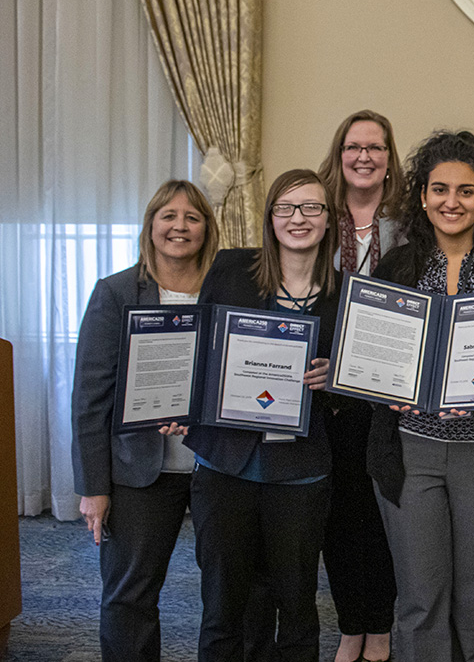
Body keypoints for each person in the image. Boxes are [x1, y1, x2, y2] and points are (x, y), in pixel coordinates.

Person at [366, 130, 474, 662]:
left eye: (465, 191)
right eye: (439, 189)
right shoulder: (396, 268)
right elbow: (373, 355)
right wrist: (384, 389)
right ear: (422, 197)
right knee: (421, 600)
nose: (451, 201)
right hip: (409, 451)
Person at [181, 169, 339, 662]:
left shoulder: (348, 296)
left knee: (296, 607)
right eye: (287, 207)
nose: (299, 218)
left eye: (312, 207)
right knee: (223, 606)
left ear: (329, 220)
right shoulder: (230, 271)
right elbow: (197, 351)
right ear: (270, 218)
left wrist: (337, 379)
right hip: (225, 467)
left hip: (300, 472)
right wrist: (175, 404)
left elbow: (364, 388)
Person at [71, 180, 219, 662]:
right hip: (139, 472)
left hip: (217, 468)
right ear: (151, 225)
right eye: (168, 216)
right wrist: (94, 487)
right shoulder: (115, 292)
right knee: (130, 596)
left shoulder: (227, 290)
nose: (180, 227)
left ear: (206, 227)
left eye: (192, 218)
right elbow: (91, 398)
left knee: (229, 597)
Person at [316, 109, 404, 662]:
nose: (364, 156)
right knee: (339, 516)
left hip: (390, 392)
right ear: (339, 153)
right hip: (329, 394)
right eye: (354, 147)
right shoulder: (315, 215)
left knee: (385, 515)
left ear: (389, 158)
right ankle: (352, 624)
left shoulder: (408, 223)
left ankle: (384, 625)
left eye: (375, 147)